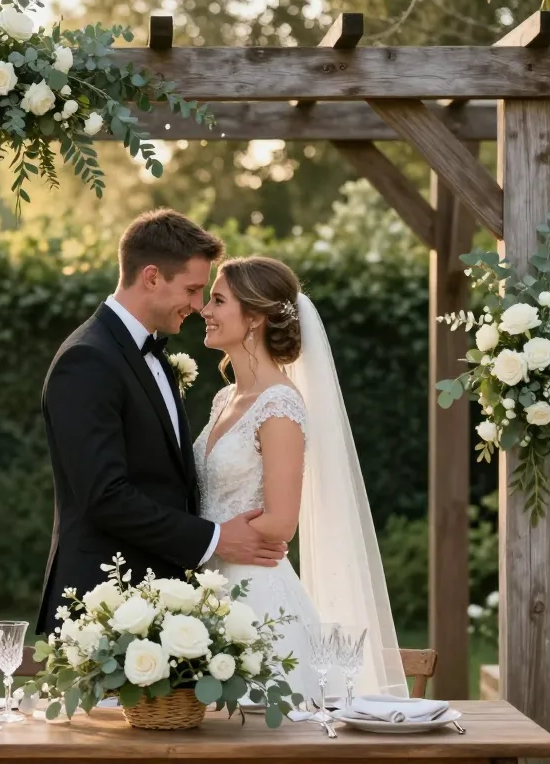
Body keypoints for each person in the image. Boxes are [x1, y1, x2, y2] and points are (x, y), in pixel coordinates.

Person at [35, 209, 288, 636]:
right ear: (151, 277)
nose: (197, 305)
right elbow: (105, 495)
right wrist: (213, 539)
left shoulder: (152, 358)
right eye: (192, 289)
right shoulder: (88, 360)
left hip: (161, 604)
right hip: (104, 607)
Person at [195, 256, 409, 703]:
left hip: (254, 600)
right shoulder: (224, 398)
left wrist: (207, 538)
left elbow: (280, 522)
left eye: (218, 300)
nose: (204, 310)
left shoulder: (279, 406)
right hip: (203, 591)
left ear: (254, 317)